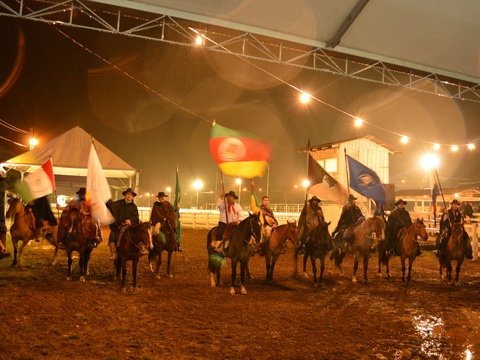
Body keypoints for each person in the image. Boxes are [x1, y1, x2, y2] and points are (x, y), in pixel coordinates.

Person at [106, 188, 140, 260]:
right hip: (119, 225)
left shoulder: (134, 206)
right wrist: (105, 198)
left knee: (140, 234)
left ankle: (141, 249)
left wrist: (130, 220)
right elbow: (111, 205)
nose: (129, 196)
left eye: (130, 195)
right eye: (127, 194)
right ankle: (114, 253)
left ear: (132, 196)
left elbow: (136, 216)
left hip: (130, 226)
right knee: (113, 234)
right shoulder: (119, 203)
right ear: (125, 195)